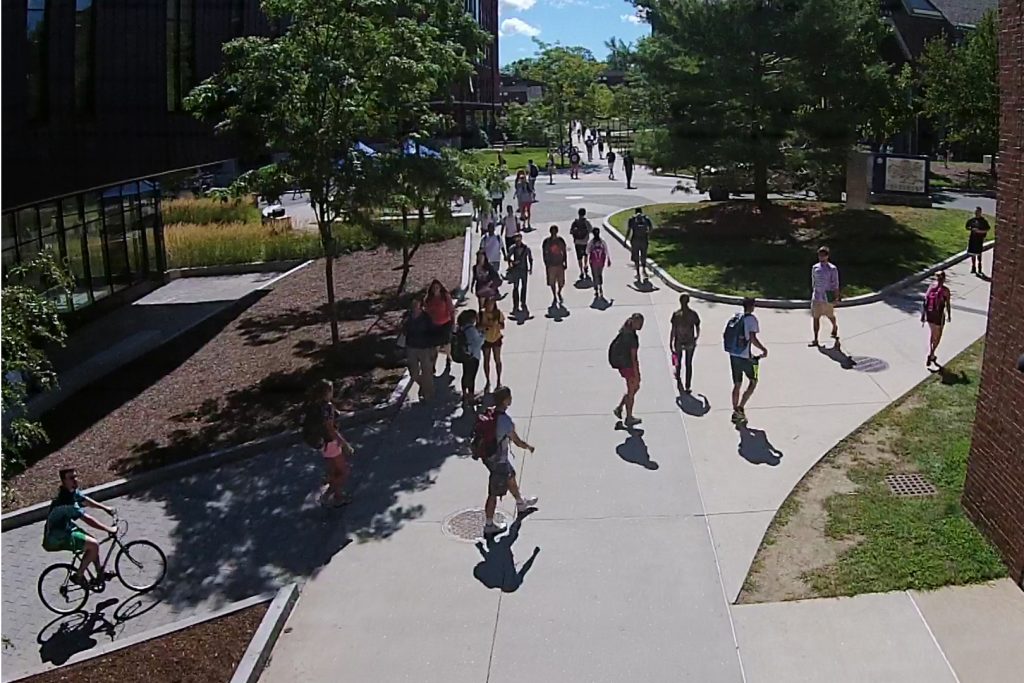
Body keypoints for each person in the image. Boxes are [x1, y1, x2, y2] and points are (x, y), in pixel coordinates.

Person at [43, 468, 117, 588]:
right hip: (57, 537)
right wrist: (108, 529)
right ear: (63, 481)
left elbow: (85, 500)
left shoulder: (71, 491)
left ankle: (100, 574)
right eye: (71, 478)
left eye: (75, 476)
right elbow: (87, 519)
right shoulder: (65, 501)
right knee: (93, 545)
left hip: (66, 528)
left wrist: (105, 508)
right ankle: (78, 576)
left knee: (92, 543)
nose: (75, 480)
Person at [483, 386, 538, 534]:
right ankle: (489, 525)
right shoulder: (505, 421)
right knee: (493, 493)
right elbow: (517, 442)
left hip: (489, 457)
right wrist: (529, 447)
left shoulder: (490, 414)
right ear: (506, 400)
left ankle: (520, 503)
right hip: (498, 460)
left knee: (511, 476)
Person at [725, 298, 768, 425]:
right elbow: (753, 338)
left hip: (733, 355)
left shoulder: (736, 317)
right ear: (752, 306)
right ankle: (740, 408)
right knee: (753, 381)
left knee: (737, 384)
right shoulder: (751, 320)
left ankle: (735, 411)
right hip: (746, 356)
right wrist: (763, 349)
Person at [314, 379, 356, 506]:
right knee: (343, 471)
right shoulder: (326, 407)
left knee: (334, 471)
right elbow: (330, 428)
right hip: (331, 443)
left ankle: (335, 495)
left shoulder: (318, 405)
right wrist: (344, 444)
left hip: (322, 444)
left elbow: (333, 416)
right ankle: (331, 495)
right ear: (327, 392)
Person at [611, 313, 645, 427]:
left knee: (634, 388)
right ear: (634, 322)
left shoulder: (625, 331)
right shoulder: (632, 337)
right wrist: (637, 373)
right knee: (632, 390)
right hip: (628, 366)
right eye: (639, 323)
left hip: (623, 365)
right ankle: (629, 417)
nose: (641, 325)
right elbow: (634, 357)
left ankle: (620, 408)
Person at [403, 299, 436, 402]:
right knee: (414, 373)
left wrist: (432, 347)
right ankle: (424, 386)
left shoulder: (426, 318)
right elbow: (404, 330)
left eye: (417, 305)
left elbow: (432, 332)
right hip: (411, 347)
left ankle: (428, 393)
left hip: (424, 347)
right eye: (413, 305)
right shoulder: (408, 316)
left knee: (427, 371)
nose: (415, 307)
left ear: (421, 306)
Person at [669, 294, 701, 393]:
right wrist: (696, 337)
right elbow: (698, 327)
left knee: (678, 360)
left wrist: (671, 341)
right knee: (688, 363)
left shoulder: (676, 314)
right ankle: (688, 386)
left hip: (679, 341)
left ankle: (678, 377)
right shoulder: (693, 314)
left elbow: (673, 329)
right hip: (690, 341)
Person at [810, 246, 841, 347]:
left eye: (823, 255)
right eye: (820, 255)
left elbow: (835, 283)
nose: (821, 257)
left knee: (830, 315)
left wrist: (836, 297)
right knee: (816, 317)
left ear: (827, 256)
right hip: (817, 297)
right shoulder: (815, 267)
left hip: (827, 296)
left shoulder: (832, 269)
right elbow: (813, 281)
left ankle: (834, 326)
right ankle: (815, 339)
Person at [424, 279, 455, 375]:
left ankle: (449, 356)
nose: (435, 289)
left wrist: (453, 322)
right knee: (435, 347)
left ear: (440, 288)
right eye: (434, 288)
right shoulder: (429, 299)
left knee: (446, 344)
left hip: (446, 323)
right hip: (434, 325)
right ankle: (433, 365)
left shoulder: (445, 297)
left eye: (437, 287)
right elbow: (426, 311)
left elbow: (451, 309)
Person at [922, 271, 952, 368]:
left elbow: (925, 301)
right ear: (944, 279)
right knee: (938, 337)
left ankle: (931, 354)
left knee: (932, 334)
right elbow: (947, 304)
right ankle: (932, 353)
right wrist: (949, 315)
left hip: (930, 315)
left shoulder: (931, 287)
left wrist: (923, 315)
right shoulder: (946, 290)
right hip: (939, 316)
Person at [480, 297, 505, 393]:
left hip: (496, 338)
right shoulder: (482, 314)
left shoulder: (498, 313)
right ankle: (487, 381)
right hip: (486, 340)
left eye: (492, 304)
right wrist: (486, 326)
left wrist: (498, 325)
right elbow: (478, 326)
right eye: (488, 304)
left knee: (497, 359)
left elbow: (503, 325)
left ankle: (499, 381)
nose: (490, 306)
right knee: (486, 360)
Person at [542, 224, 568, 307]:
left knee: (561, 282)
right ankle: (554, 295)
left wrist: (565, 262)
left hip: (560, 263)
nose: (554, 233)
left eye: (555, 231)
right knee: (552, 282)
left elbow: (564, 252)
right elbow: (544, 253)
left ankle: (559, 291)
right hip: (551, 265)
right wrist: (546, 263)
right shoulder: (547, 242)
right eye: (552, 232)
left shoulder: (561, 241)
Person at [507, 233, 533, 314]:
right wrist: (511, 263)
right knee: (515, 287)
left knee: (524, 287)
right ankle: (516, 304)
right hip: (516, 270)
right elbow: (508, 257)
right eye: (516, 239)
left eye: (519, 239)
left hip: (524, 269)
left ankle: (523, 302)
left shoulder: (526, 248)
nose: (517, 241)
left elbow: (530, 258)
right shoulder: (512, 248)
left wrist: (530, 268)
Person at [625, 207, 652, 283]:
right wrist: (647, 234)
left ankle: (637, 272)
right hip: (644, 239)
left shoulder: (632, 219)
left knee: (636, 256)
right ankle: (643, 269)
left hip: (635, 240)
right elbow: (651, 228)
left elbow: (629, 230)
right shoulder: (646, 218)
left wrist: (625, 240)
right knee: (643, 255)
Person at [586, 227, 611, 300]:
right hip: (601, 261)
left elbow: (587, 251)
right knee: (600, 274)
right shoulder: (602, 242)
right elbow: (606, 250)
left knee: (594, 274)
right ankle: (600, 286)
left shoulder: (591, 242)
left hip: (593, 262)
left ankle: (596, 288)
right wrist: (608, 260)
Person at [570, 208, 594, 281]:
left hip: (577, 242)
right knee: (586, 255)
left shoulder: (575, 222)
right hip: (585, 241)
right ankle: (585, 265)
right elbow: (590, 230)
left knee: (579, 257)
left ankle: (581, 271)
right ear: (585, 213)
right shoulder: (586, 222)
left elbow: (571, 231)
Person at [965, 207, 990, 276]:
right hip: (972, 239)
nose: (976, 214)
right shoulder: (972, 220)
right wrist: (972, 229)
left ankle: (979, 267)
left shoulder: (983, 221)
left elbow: (987, 229)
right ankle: (973, 267)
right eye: (975, 212)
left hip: (979, 239)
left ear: (980, 213)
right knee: (972, 253)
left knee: (979, 254)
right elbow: (967, 227)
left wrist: (980, 231)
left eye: (978, 212)